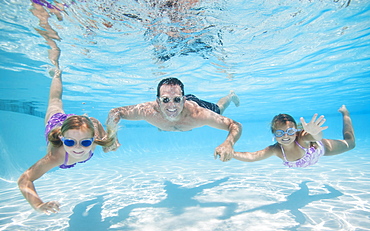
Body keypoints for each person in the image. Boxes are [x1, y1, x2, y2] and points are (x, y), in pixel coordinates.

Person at [18, 3, 115, 215]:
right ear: (63, 139)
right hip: (58, 122)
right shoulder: (55, 156)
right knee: (55, 101)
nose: (78, 148)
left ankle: (57, 68)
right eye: (71, 142)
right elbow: (24, 179)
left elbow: (97, 130)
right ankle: (56, 66)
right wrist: (38, 204)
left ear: (92, 139)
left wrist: (107, 139)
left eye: (85, 142)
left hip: (77, 124)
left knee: (68, 107)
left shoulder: (92, 139)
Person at [106, 77, 242, 161]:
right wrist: (112, 134)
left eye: (177, 100)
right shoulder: (148, 111)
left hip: (194, 104)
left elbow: (235, 125)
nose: (172, 105)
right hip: (163, 121)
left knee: (219, 108)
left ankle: (230, 96)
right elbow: (115, 112)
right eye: (165, 100)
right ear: (158, 102)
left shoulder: (198, 114)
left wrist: (229, 143)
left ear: (183, 100)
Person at [232, 105, 355, 168]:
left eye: (290, 131)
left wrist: (314, 132)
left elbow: (316, 137)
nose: (286, 136)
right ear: (274, 135)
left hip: (323, 149)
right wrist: (232, 154)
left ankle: (345, 113)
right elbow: (253, 156)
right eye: (280, 133)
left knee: (351, 143)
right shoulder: (275, 150)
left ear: (296, 131)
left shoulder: (301, 138)